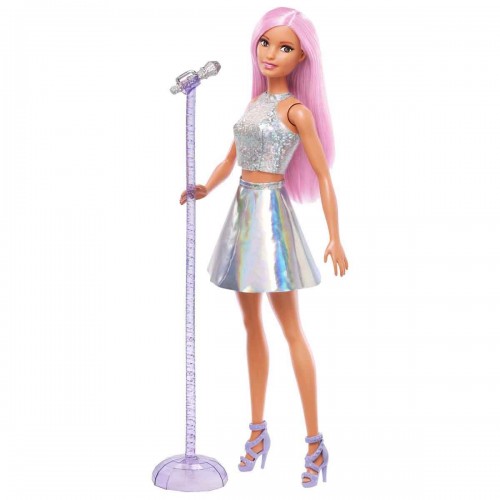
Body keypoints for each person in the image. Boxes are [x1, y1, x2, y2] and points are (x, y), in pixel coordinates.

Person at [179, 6, 348, 488]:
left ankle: (315, 442)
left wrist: (335, 235)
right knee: (251, 325)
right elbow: (230, 158)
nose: (271, 54)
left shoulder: (296, 112)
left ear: (302, 57)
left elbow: (323, 175)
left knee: (291, 329)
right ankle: (257, 431)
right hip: (242, 216)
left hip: (272, 221)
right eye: (265, 43)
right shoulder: (254, 103)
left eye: (285, 47)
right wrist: (205, 187)